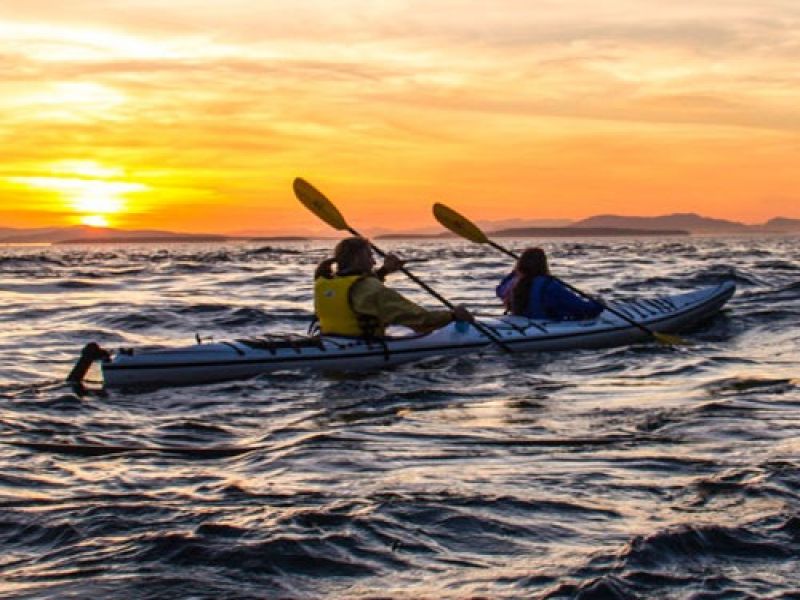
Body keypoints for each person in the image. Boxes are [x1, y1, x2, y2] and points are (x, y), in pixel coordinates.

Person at [313, 237, 473, 337]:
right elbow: (420, 319)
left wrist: (384, 271)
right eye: (370, 256)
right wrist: (452, 315)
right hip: (363, 349)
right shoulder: (368, 288)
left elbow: (358, 290)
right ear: (357, 258)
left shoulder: (323, 282)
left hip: (332, 341)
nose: (374, 262)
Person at [496, 247, 603, 321]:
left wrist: (518, 270)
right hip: (543, 323)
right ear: (544, 264)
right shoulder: (549, 285)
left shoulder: (512, 282)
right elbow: (581, 307)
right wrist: (598, 304)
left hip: (519, 322)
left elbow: (499, 290)